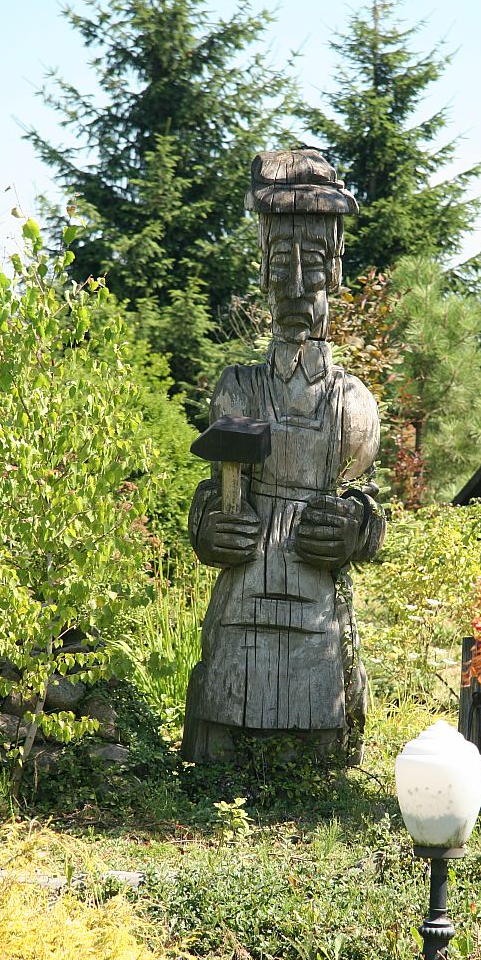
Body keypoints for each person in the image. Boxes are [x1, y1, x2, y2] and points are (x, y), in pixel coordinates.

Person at [181, 149, 385, 764]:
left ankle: (318, 769)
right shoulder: (239, 389)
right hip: (242, 601)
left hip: (316, 607)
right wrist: (209, 525)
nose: (297, 287)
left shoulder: (352, 403)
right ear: (262, 271)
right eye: (280, 264)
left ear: (337, 269)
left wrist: (355, 526)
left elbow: (369, 505)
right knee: (224, 715)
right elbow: (215, 491)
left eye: (314, 265)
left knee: (320, 721)